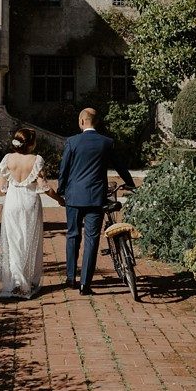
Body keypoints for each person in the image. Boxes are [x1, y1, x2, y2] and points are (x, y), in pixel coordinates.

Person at [57, 108, 136, 295]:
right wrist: (130, 183)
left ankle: (70, 278)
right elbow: (120, 166)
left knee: (73, 235)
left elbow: (64, 169)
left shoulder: (72, 142)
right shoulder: (106, 142)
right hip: (95, 197)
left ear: (82, 121)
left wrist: (61, 190)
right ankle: (85, 284)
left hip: (74, 197)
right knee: (92, 239)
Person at [0, 127, 63, 299]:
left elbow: (3, 188)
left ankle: (17, 282)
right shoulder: (36, 160)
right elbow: (44, 187)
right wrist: (59, 199)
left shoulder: (7, 159)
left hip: (12, 203)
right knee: (29, 241)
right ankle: (26, 282)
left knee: (13, 243)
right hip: (29, 203)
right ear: (31, 143)